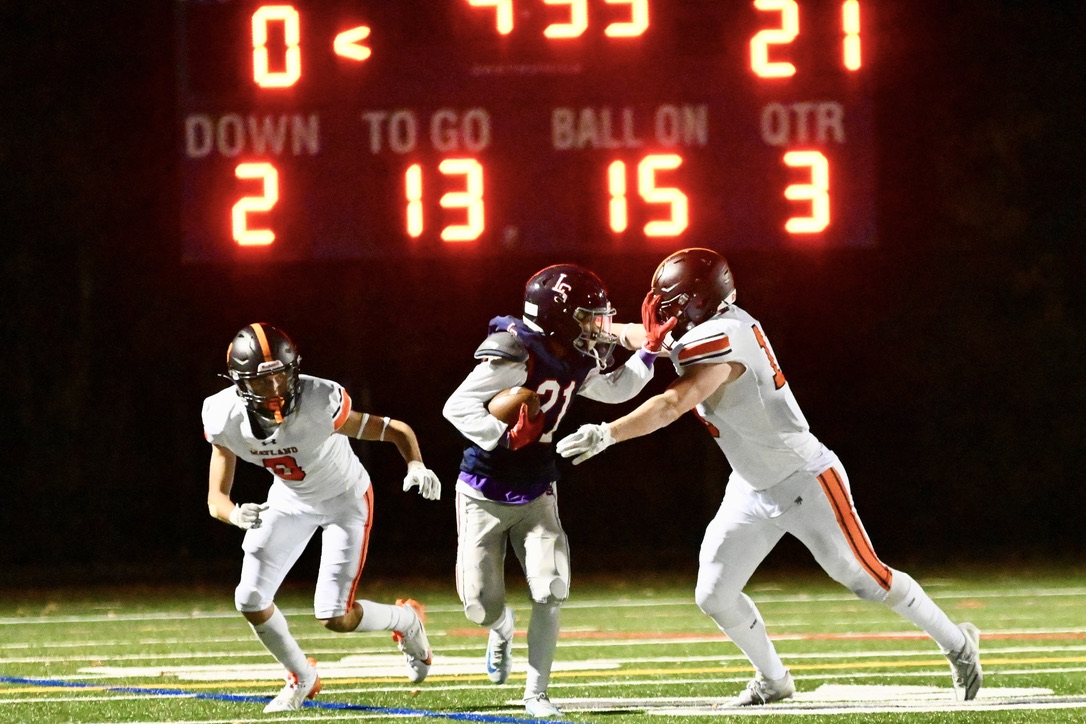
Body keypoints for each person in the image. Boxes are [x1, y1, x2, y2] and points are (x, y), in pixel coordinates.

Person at [556, 248, 982, 706]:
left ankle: (959, 643)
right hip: (750, 485)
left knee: (866, 578)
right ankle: (774, 680)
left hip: (804, 478)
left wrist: (607, 434)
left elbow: (671, 404)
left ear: (697, 300)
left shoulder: (724, 339)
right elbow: (655, 340)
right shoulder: (712, 325)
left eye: (671, 301)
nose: (663, 310)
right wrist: (605, 330)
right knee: (714, 594)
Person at [442, 264, 674, 718]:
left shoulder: (572, 355)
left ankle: (537, 693)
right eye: (588, 317)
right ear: (558, 315)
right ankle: (501, 629)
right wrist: (503, 435)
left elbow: (612, 391)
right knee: (479, 607)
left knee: (551, 586)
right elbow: (457, 406)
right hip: (482, 491)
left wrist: (647, 353)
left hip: (537, 488)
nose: (596, 327)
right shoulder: (513, 349)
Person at [203, 323, 442, 713]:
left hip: (344, 501)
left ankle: (406, 620)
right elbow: (217, 498)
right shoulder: (222, 415)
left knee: (335, 617)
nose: (278, 388)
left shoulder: (320, 400)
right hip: (289, 500)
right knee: (248, 598)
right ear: (239, 382)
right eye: (264, 382)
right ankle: (302, 677)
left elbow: (393, 429)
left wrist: (415, 463)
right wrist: (235, 515)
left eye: (282, 375)